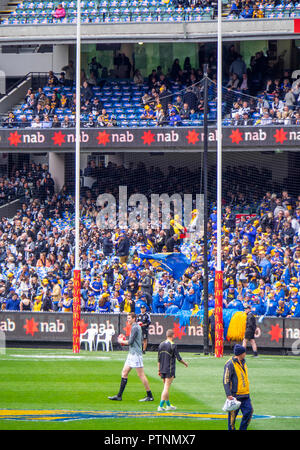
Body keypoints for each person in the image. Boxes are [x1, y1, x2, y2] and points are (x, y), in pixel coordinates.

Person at [108, 312, 154, 402]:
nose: (127, 320)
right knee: (124, 373)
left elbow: (130, 342)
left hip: (136, 354)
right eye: (127, 318)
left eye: (129, 318)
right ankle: (119, 396)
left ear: (134, 318)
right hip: (131, 353)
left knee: (141, 375)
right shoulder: (135, 326)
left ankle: (150, 395)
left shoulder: (135, 327)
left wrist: (121, 341)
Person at [223, 344, 254, 430]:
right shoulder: (230, 364)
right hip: (235, 396)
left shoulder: (243, 361)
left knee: (249, 411)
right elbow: (226, 379)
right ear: (240, 353)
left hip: (245, 394)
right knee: (232, 420)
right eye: (244, 352)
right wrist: (228, 394)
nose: (245, 354)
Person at [157, 329, 188, 412]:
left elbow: (158, 359)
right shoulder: (173, 345)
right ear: (173, 335)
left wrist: (159, 369)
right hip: (169, 369)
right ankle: (160, 406)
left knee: (165, 387)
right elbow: (178, 358)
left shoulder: (161, 344)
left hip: (162, 368)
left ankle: (168, 405)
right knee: (166, 388)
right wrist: (185, 363)